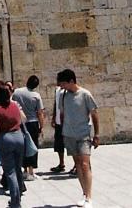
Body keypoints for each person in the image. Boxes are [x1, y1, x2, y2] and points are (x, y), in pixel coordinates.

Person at [56, 69, 100, 208]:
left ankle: (89, 197)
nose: (61, 86)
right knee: (78, 165)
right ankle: (84, 193)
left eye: (63, 83)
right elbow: (62, 113)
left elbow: (94, 114)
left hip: (83, 134)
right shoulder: (63, 95)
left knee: (85, 164)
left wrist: (97, 134)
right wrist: (63, 130)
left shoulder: (85, 94)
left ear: (71, 81)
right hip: (69, 134)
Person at [0, 85, 26, 208]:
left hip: (5, 139)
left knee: (10, 172)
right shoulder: (15, 106)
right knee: (18, 168)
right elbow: (23, 119)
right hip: (19, 137)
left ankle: (15, 202)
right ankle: (18, 196)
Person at [12, 75, 45, 180]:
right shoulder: (36, 95)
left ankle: (24, 169)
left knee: (23, 146)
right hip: (32, 123)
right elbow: (40, 112)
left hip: (20, 122)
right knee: (32, 145)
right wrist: (41, 126)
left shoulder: (17, 92)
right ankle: (31, 171)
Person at [49, 82, 68, 173]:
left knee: (71, 144)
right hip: (58, 121)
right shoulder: (57, 90)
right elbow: (56, 104)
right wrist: (53, 117)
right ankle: (61, 163)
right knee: (59, 143)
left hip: (66, 122)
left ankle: (76, 165)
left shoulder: (67, 91)